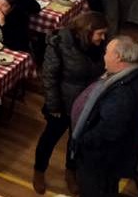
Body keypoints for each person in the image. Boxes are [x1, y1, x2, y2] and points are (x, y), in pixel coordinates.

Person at [32, 12, 107, 195]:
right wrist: (54, 106)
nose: (103, 38)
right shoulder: (59, 43)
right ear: (87, 31)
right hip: (63, 103)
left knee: (77, 140)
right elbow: (49, 77)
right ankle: (39, 171)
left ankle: (70, 172)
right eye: (100, 33)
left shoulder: (98, 45)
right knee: (50, 137)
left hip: (87, 104)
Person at [70, 36, 138, 197]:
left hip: (100, 160)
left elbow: (109, 130)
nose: (104, 56)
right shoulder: (137, 75)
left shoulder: (123, 92)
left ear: (118, 57)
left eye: (107, 52)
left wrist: (84, 140)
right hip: (111, 159)